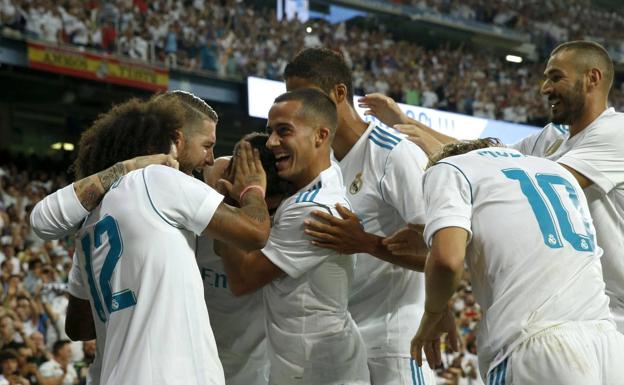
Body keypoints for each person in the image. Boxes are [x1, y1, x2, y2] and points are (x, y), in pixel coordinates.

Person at [362, 41, 624, 334]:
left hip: (617, 312)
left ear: (593, 78)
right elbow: (487, 155)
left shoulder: (616, 133)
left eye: (556, 77)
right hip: (579, 308)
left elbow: (526, 189)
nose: (544, 88)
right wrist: (408, 123)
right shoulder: (551, 138)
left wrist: (438, 156)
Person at [30, 97, 271, 385]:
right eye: (207, 145)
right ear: (177, 141)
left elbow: (79, 326)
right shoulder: (158, 179)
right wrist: (253, 188)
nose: (209, 157)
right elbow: (255, 231)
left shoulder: (91, 220)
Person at [411, 138, 624, 384]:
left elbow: (447, 261)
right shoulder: (557, 170)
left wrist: (433, 313)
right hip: (608, 343)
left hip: (536, 346)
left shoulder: (448, 168)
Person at [284, 48, 435, 384]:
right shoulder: (323, 167)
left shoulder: (394, 152)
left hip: (393, 337)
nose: (298, 110)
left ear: (339, 93)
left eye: (307, 97)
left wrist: (366, 243)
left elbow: (440, 252)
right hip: (342, 340)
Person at [215, 88, 369, 385]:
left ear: (321, 136)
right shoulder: (328, 175)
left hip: (320, 371)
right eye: (270, 131)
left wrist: (243, 198)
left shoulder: (312, 209)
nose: (272, 142)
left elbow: (243, 279)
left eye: (283, 131)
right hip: (311, 366)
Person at [198, 132, 291, 385]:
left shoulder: (291, 217)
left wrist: (247, 198)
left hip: (253, 369)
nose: (264, 218)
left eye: (269, 209)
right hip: (190, 360)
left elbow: (240, 276)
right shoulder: (198, 194)